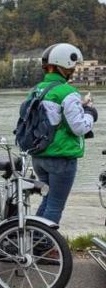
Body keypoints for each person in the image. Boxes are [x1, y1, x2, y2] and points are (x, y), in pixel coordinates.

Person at [29, 43, 97, 224]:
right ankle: (43, 245)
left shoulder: (37, 90)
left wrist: (79, 108)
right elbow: (79, 127)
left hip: (39, 156)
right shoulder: (67, 92)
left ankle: (33, 239)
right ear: (64, 65)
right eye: (72, 66)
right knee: (55, 205)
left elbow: (53, 117)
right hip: (61, 157)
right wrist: (90, 113)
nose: (74, 69)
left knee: (47, 200)